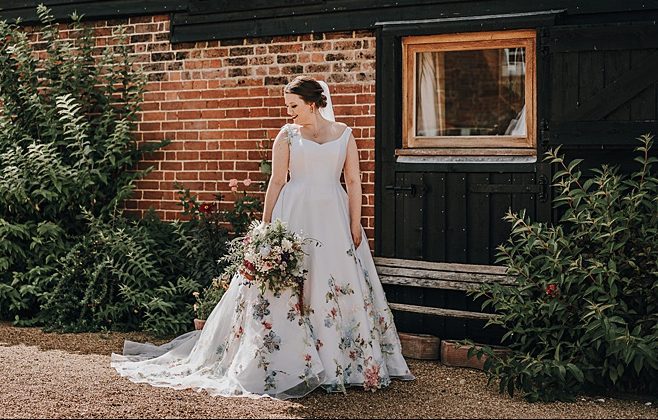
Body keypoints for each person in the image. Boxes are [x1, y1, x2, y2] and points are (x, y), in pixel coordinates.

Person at [111, 76, 414, 399]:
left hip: (334, 219)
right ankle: (284, 361)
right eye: (287, 107)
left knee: (333, 283)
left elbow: (354, 182)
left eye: (293, 106)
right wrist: (265, 227)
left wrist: (355, 225)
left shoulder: (345, 135)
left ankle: (340, 363)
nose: (289, 113)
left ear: (313, 103)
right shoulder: (287, 135)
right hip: (294, 214)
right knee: (287, 284)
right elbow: (277, 181)